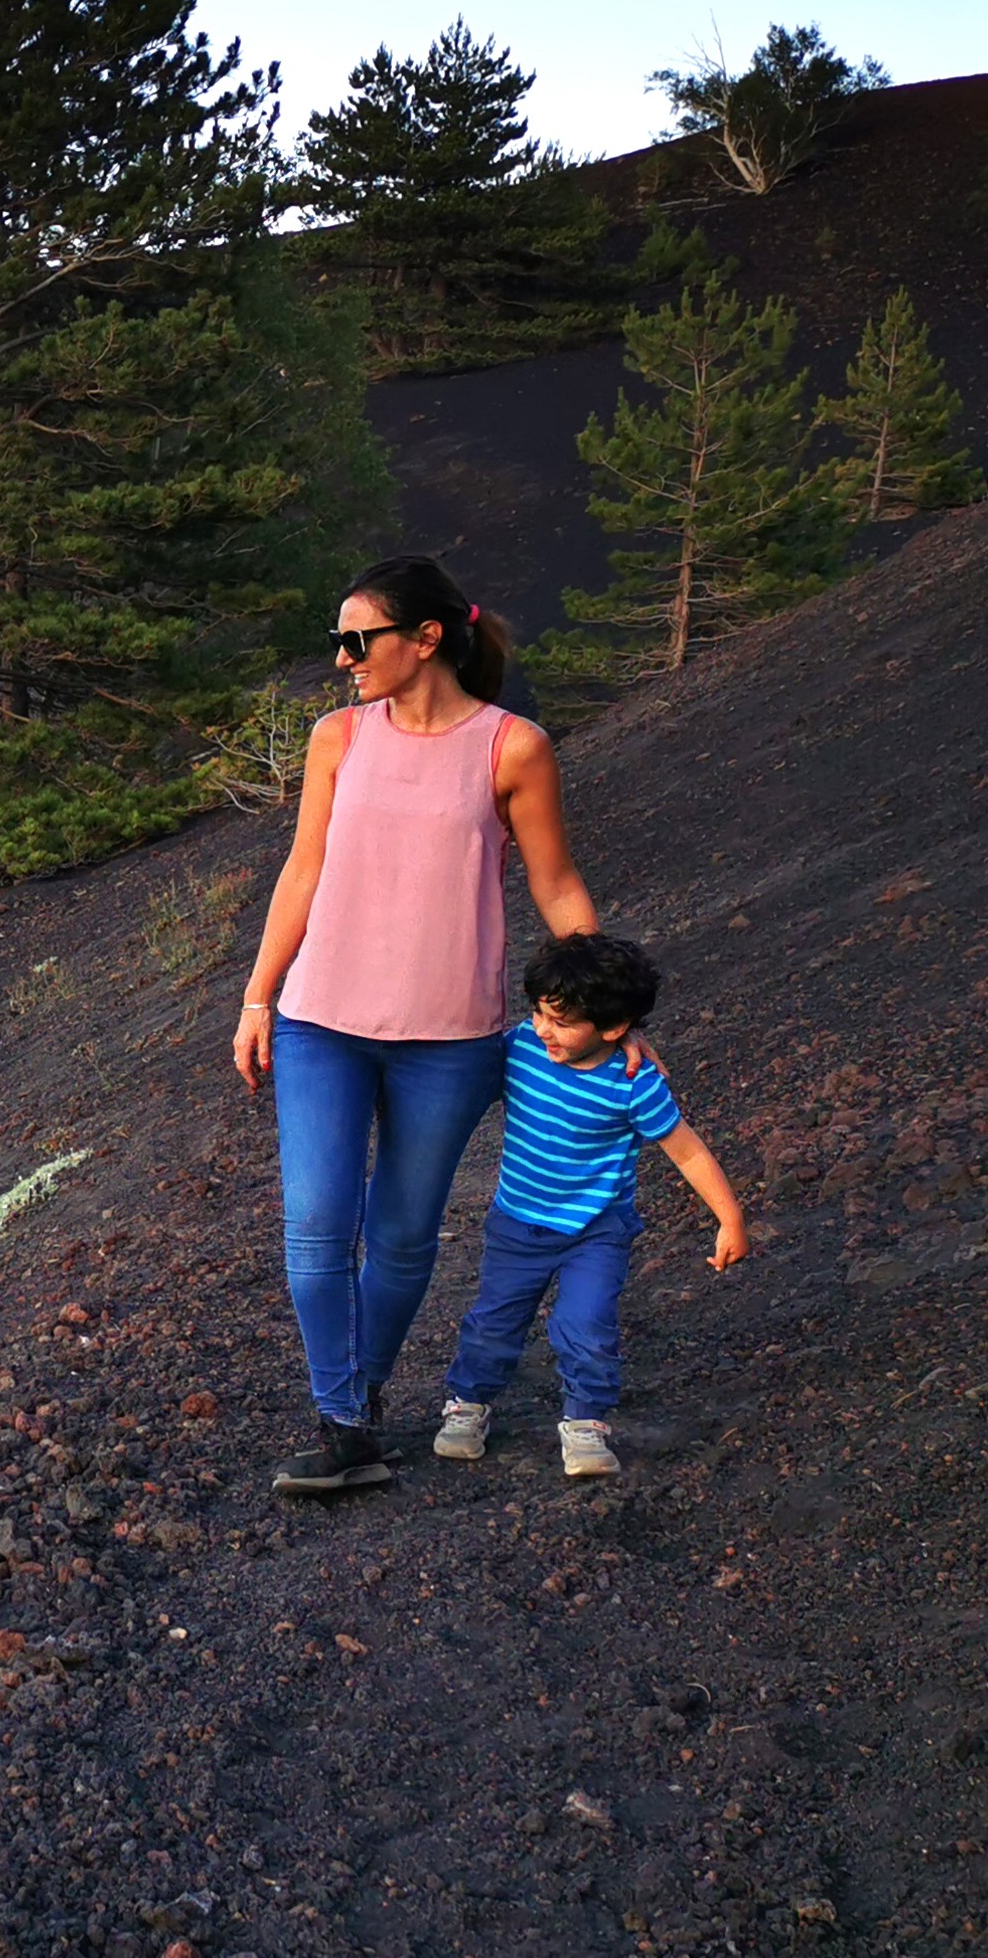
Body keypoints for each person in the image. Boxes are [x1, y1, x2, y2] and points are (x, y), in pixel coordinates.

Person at [233, 556, 621, 1498]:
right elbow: (301, 871)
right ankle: (342, 1422)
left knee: (403, 1239)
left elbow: (555, 883)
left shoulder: (512, 748)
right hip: (321, 1020)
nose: (341, 660)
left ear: (425, 639)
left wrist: (609, 1005)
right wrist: (257, 995)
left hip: (451, 1038)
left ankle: (356, 1416)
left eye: (356, 641)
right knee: (318, 1226)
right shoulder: (338, 737)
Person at [434, 935, 745, 1476]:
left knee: (587, 1323)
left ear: (614, 1027)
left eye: (560, 1021)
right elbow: (455, 1072)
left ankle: (585, 1422)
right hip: (517, 1223)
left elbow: (687, 1152)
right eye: (537, 1013)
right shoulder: (521, 1049)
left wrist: (730, 1218)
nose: (542, 1029)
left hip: (596, 1230)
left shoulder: (634, 1084)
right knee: (494, 1319)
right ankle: (467, 1405)